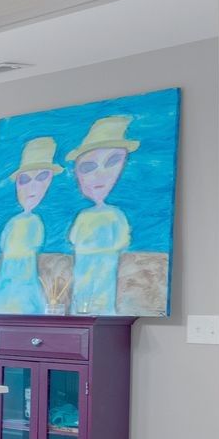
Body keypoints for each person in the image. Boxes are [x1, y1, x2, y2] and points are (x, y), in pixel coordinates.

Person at [65, 115, 138, 315]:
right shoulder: (86, 215)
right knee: (82, 301)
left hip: (103, 271)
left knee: (100, 302)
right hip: (85, 270)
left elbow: (120, 242)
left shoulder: (115, 215)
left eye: (112, 162)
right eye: (89, 167)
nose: (99, 176)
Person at [0, 137, 59, 314]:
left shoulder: (33, 222)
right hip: (8, 283)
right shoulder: (18, 222)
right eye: (25, 180)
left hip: (23, 283)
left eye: (41, 178)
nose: (32, 187)